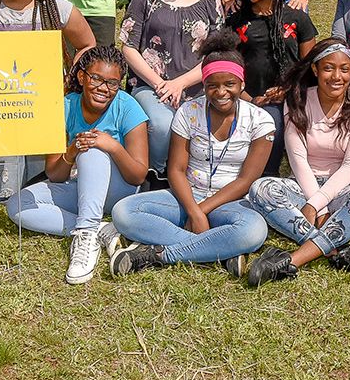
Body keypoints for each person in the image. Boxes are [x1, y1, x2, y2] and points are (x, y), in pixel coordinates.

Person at [108, 31, 273, 278]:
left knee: (254, 230)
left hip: (232, 202)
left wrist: (202, 210)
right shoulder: (189, 111)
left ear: (242, 84)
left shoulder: (261, 121)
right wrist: (193, 210)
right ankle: (220, 251)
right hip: (186, 195)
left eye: (229, 84)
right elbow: (176, 170)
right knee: (123, 212)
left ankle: (160, 255)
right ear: (204, 85)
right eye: (212, 85)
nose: (221, 92)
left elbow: (246, 181)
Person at [6, 46, 149, 285]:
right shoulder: (64, 106)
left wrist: (111, 145)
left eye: (112, 83)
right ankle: (99, 229)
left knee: (93, 149)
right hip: (81, 187)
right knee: (17, 206)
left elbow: (137, 176)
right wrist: (72, 150)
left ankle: (84, 236)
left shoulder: (129, 107)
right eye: (96, 79)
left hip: (119, 190)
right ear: (82, 77)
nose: (103, 89)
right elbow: (54, 174)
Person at [246, 40, 350, 287]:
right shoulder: (297, 99)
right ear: (316, 70)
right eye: (329, 68)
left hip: (342, 189)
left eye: (344, 69)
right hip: (302, 185)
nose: (337, 76)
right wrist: (317, 208)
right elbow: (297, 158)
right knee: (261, 189)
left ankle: (292, 259)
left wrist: (317, 204)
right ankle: (337, 251)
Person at [0, 0, 96, 202]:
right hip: (0, 108)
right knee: (1, 194)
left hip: (42, 106)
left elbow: (87, 44)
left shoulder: (57, 8)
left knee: (39, 182)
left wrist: (70, 77)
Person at [118, 0, 223, 175]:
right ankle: (154, 174)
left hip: (195, 88)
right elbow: (129, 46)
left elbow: (215, 56)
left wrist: (180, 84)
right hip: (150, 86)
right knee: (165, 125)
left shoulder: (211, 2)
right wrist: (161, 85)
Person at [223, 0, 317, 176]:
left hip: (289, 97)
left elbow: (309, 67)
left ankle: (267, 178)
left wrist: (285, 90)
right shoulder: (236, 21)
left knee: (274, 120)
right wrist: (249, 98)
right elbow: (228, 69)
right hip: (245, 97)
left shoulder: (298, 19)